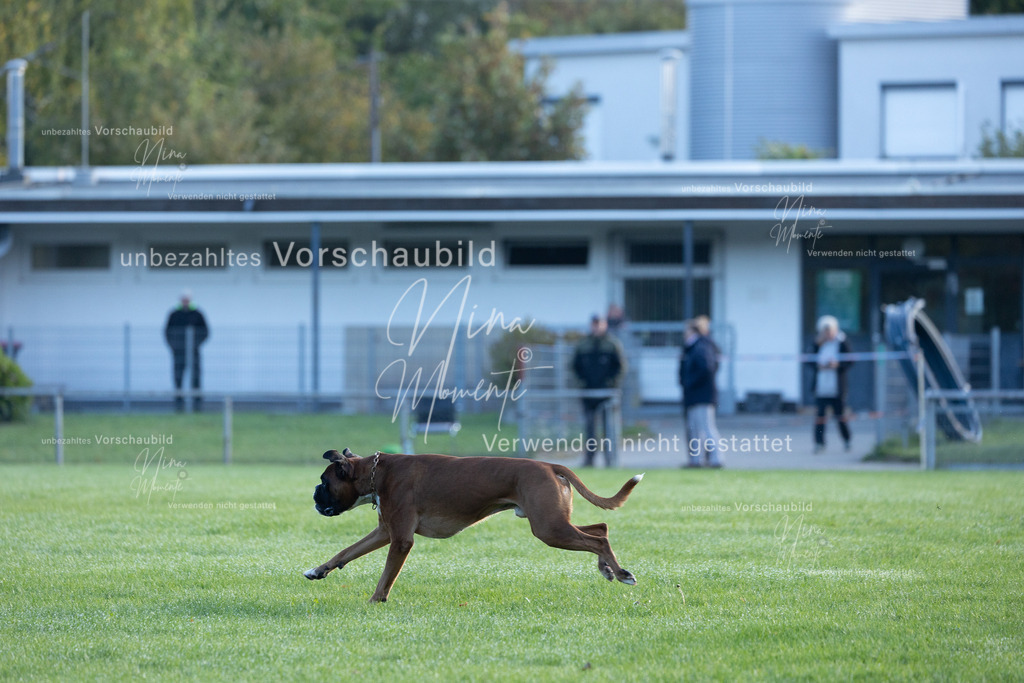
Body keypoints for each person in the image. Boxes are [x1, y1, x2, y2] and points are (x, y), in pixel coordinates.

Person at [572, 314, 626, 467]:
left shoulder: (612, 344)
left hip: (606, 394)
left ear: (604, 325)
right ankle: (589, 459)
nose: (596, 327)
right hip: (588, 394)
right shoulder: (583, 344)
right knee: (590, 429)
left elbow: (620, 367)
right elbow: (574, 367)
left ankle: (610, 460)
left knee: (609, 428)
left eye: (599, 324)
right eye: (594, 324)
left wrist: (611, 384)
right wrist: (581, 383)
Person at [678, 316, 723, 468]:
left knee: (707, 428)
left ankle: (716, 459)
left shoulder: (701, 347)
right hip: (695, 395)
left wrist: (689, 382)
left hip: (702, 395)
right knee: (695, 430)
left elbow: (706, 368)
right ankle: (696, 461)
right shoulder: (694, 347)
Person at [810, 315, 852, 453]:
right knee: (820, 417)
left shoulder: (842, 342)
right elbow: (809, 360)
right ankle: (819, 443)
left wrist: (837, 365)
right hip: (822, 387)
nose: (828, 334)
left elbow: (850, 360)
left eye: (830, 331)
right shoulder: (818, 343)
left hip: (837, 387)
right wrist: (819, 364)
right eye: (825, 331)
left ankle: (847, 440)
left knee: (840, 415)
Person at [164, 290, 209, 412]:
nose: (185, 301)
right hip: (179, 352)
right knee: (178, 376)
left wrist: (194, 345)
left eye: (187, 299)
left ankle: (197, 405)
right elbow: (167, 332)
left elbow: (205, 332)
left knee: (196, 377)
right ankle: (179, 404)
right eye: (184, 299)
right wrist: (175, 346)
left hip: (194, 353)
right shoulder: (174, 315)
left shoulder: (197, 314)